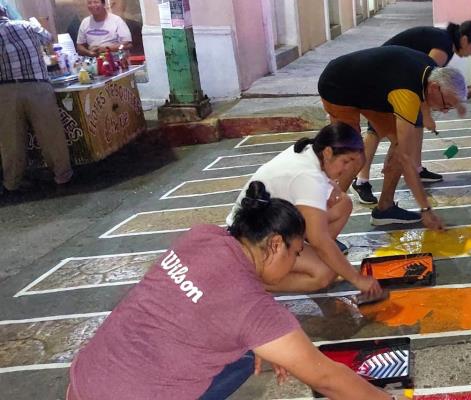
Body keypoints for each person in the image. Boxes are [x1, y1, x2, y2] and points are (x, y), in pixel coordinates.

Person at [68, 182, 393, 400]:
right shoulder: (251, 309)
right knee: (252, 350)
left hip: (84, 382)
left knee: (245, 354)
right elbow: (326, 378)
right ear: (275, 244)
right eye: (296, 253)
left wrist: (264, 341)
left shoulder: (201, 236)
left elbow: (215, 293)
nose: (297, 260)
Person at [317, 45, 468, 229]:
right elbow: (405, 159)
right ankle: (321, 222)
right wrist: (426, 210)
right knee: (353, 156)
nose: (444, 111)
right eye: (446, 105)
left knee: (400, 143)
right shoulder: (408, 93)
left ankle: (385, 208)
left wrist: (427, 116)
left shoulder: (432, 70)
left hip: (369, 90)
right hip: (337, 85)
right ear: (435, 88)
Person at [226, 123, 383, 298]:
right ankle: (253, 282)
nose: (347, 170)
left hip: (273, 220)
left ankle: (307, 259)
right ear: (328, 152)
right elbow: (320, 240)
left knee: (343, 204)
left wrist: (330, 188)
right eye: (345, 162)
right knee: (325, 274)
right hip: (250, 237)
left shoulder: (311, 149)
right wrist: (357, 279)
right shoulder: (309, 177)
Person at [353, 21, 471, 202]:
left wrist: (427, 114)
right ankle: (361, 181)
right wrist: (427, 115)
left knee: (415, 122)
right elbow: (425, 83)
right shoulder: (443, 48)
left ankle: (416, 168)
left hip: (394, 76)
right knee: (376, 129)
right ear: (464, 39)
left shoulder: (444, 41)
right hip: (382, 78)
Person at [0, 4, 74, 194]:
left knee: (11, 140)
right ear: (5, 12)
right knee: (51, 135)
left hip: (6, 91)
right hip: (38, 86)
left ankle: (12, 183)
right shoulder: (27, 26)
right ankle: (62, 176)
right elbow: (48, 38)